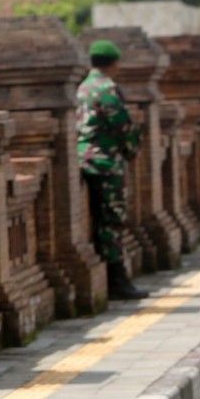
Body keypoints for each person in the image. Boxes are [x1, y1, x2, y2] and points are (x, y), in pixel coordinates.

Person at [76, 39, 148, 301]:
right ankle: (117, 282)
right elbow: (122, 126)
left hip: (83, 158)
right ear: (114, 63)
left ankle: (112, 279)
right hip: (104, 163)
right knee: (111, 219)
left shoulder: (81, 88)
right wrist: (132, 150)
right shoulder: (106, 88)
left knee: (99, 218)